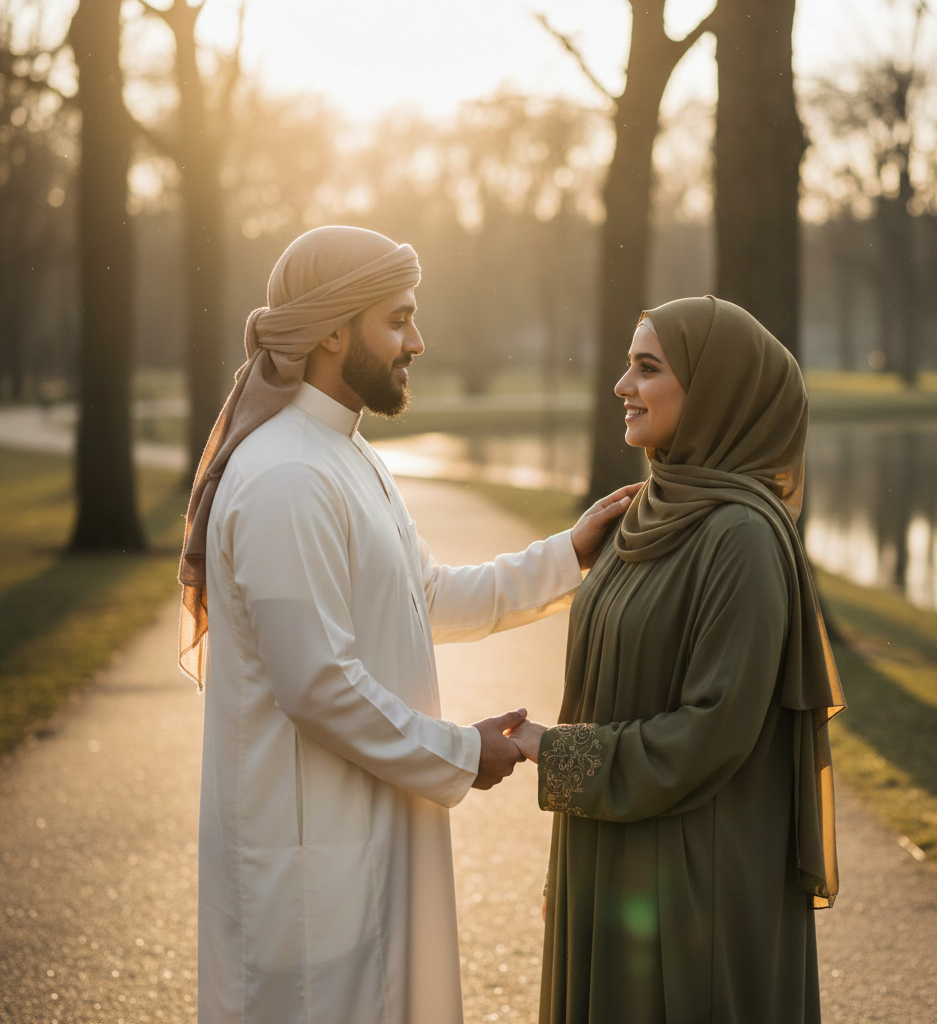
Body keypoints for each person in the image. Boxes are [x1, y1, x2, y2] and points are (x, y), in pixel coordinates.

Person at [176, 225, 638, 1024]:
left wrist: (571, 553)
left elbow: (424, 599)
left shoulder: (348, 456)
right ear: (329, 329)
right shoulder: (287, 475)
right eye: (397, 319)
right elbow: (316, 685)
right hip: (308, 864)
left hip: (368, 837)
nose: (417, 341)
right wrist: (465, 750)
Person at [511, 296, 846, 1024]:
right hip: (613, 854)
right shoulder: (643, 514)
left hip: (695, 881)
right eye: (628, 365)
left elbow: (712, 731)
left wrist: (555, 751)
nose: (621, 387)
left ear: (717, 393)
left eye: (647, 368)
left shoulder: (742, 537)